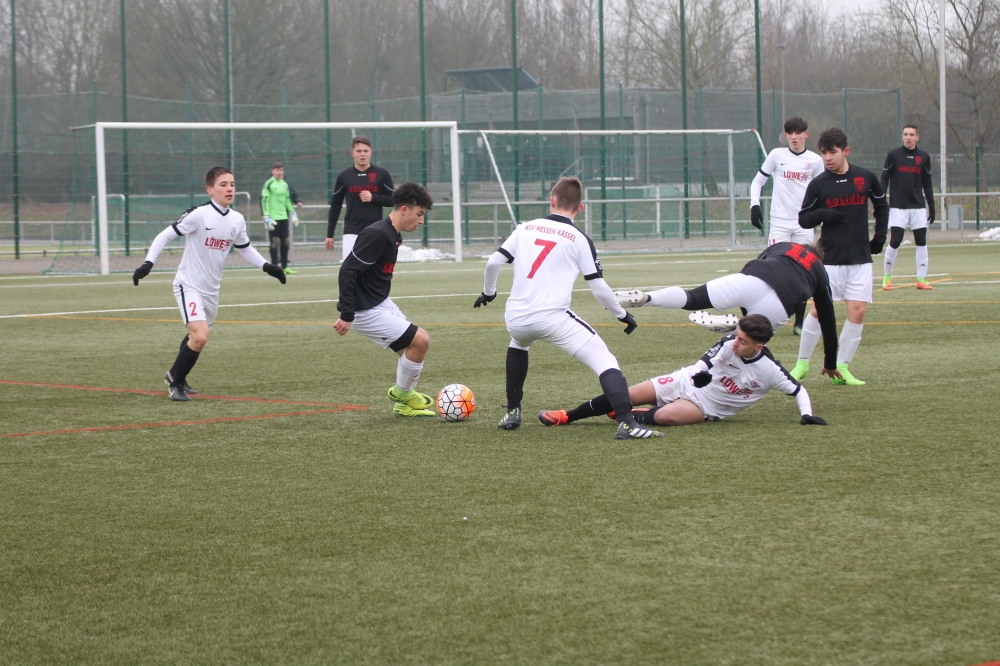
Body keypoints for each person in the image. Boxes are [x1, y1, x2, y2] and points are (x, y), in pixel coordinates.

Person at [474, 176, 660, 440]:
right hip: (552, 318)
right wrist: (622, 314)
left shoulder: (524, 228)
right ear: (580, 208)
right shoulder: (579, 238)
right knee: (606, 361)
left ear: (552, 200)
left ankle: (513, 411)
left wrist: (489, 292)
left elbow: (493, 262)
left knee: (518, 343)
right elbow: (599, 288)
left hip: (516, 318)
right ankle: (628, 424)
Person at [132, 166, 287, 401]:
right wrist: (148, 263)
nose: (229, 189)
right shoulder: (199, 214)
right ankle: (175, 384)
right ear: (210, 190)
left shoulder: (237, 219)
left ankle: (175, 374)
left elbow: (244, 248)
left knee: (197, 336)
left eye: (232, 184)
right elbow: (165, 235)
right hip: (188, 284)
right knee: (200, 336)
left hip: (212, 290)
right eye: (223, 184)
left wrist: (267, 266)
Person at [537, 315, 828, 428]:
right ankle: (568, 416)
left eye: (743, 341)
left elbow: (798, 390)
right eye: (737, 336)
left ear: (759, 346)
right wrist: (700, 373)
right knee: (626, 393)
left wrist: (806, 414)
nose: (735, 342)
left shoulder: (770, 371)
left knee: (665, 417)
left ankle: (634, 414)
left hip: (706, 406)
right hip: (684, 381)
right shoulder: (729, 343)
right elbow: (704, 363)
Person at [615, 241, 840, 380]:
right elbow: (828, 320)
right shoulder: (821, 273)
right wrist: (830, 363)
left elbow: (756, 261)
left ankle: (649, 298)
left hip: (752, 279)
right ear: (822, 259)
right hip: (780, 303)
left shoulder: (785, 245)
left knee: (691, 298)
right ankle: (735, 328)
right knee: (748, 344)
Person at [791, 127, 889, 386]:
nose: (827, 158)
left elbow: (881, 207)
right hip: (829, 260)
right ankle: (801, 364)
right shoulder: (818, 184)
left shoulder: (865, 177)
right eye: (823, 153)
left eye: (832, 152)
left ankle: (842, 368)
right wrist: (823, 214)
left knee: (857, 312)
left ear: (846, 151)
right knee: (818, 311)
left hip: (860, 259)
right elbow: (804, 219)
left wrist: (879, 238)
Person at [333, 181, 437, 417]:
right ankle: (402, 394)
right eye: (419, 214)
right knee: (421, 340)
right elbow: (347, 271)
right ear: (404, 210)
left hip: (379, 302)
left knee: (411, 351)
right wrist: (347, 313)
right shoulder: (378, 234)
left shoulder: (393, 234)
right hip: (364, 310)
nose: (421, 221)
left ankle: (403, 404)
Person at [750, 116, 825, 334]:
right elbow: (758, 181)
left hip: (804, 224)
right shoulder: (776, 155)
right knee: (774, 269)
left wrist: (821, 215)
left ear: (806, 134)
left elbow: (823, 190)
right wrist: (754, 205)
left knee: (803, 270)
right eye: (789, 133)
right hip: (780, 223)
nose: (793, 137)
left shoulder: (815, 161)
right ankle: (766, 318)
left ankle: (799, 323)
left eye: (798, 133)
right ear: (785, 135)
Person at [880, 124, 935, 290]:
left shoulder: (924, 157)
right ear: (902, 136)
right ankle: (887, 277)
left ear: (917, 137)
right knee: (895, 240)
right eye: (906, 134)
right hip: (898, 206)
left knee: (921, 241)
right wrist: (881, 200)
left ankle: (921, 280)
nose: (908, 137)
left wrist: (931, 205)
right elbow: (884, 178)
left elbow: (927, 182)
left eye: (912, 134)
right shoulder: (893, 155)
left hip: (918, 207)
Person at [326, 136, 395, 261]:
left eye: (365, 151)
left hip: (376, 231)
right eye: (358, 151)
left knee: (373, 270)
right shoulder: (344, 176)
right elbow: (335, 206)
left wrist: (373, 197)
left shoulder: (382, 174)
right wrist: (330, 235)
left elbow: (394, 200)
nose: (362, 154)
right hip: (351, 231)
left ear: (371, 152)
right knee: (349, 270)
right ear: (352, 153)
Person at [261, 161, 299, 275]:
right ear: (272, 171)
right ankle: (274, 267)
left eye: (281, 170)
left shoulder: (284, 184)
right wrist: (266, 216)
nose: (279, 172)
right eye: (277, 170)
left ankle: (285, 267)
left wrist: (293, 213)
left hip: (284, 217)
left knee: (286, 241)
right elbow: (264, 200)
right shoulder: (269, 184)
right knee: (275, 241)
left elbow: (287, 200)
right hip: (273, 218)